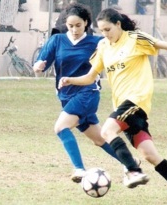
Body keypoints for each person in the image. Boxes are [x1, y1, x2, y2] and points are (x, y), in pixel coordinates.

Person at [59, 8, 167, 205]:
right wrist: (70, 80)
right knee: (150, 155)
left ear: (118, 25)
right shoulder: (103, 47)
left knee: (107, 130)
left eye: (108, 29)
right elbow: (90, 77)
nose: (105, 34)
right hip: (124, 108)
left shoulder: (135, 39)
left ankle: (133, 170)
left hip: (137, 100)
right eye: (101, 31)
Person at [32, 3, 123, 184]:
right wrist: (38, 66)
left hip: (87, 93)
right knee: (99, 139)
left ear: (86, 23)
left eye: (78, 26)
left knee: (61, 127)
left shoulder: (97, 42)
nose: (74, 30)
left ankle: (79, 169)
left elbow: (119, 50)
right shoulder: (57, 40)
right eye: (70, 26)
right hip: (66, 96)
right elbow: (41, 63)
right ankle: (130, 164)